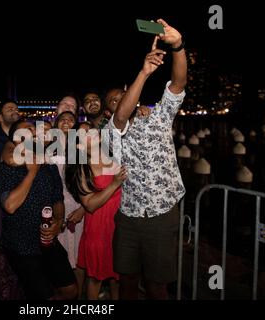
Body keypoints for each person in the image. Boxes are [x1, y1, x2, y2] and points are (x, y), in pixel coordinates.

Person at [108, 19, 187, 300]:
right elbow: (120, 116)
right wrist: (143, 73)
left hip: (161, 214)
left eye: (123, 95)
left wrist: (177, 46)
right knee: (127, 281)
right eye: (113, 100)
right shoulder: (112, 131)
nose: (119, 102)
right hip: (129, 217)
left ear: (132, 92)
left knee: (157, 286)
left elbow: (177, 84)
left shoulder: (158, 118)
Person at [0, 120, 77, 300]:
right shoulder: (7, 167)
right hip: (22, 245)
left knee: (70, 289)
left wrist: (58, 221)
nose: (33, 131)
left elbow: (58, 199)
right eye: (27, 129)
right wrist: (31, 173)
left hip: (48, 241)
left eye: (34, 129)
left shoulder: (48, 166)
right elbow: (10, 206)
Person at [65, 123, 127, 300]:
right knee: (95, 279)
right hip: (98, 229)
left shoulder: (113, 156)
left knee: (117, 278)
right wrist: (115, 184)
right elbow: (90, 204)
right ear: (78, 145)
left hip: (120, 226)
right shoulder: (82, 168)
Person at [51, 111, 87, 299]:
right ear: (56, 123)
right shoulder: (46, 147)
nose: (66, 122)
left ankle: (78, 297)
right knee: (57, 256)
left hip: (77, 205)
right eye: (62, 119)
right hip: (54, 206)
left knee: (79, 256)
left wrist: (83, 208)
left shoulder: (80, 150)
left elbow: (89, 183)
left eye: (71, 120)